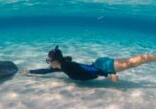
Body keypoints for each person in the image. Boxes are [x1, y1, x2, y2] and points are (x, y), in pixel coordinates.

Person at [27, 46, 156, 83]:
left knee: (134, 62)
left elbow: (86, 68)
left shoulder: (67, 66)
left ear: (55, 60)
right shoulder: (61, 67)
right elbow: (45, 71)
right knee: (132, 60)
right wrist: (30, 72)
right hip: (100, 63)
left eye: (49, 61)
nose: (48, 64)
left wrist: (108, 75)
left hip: (102, 67)